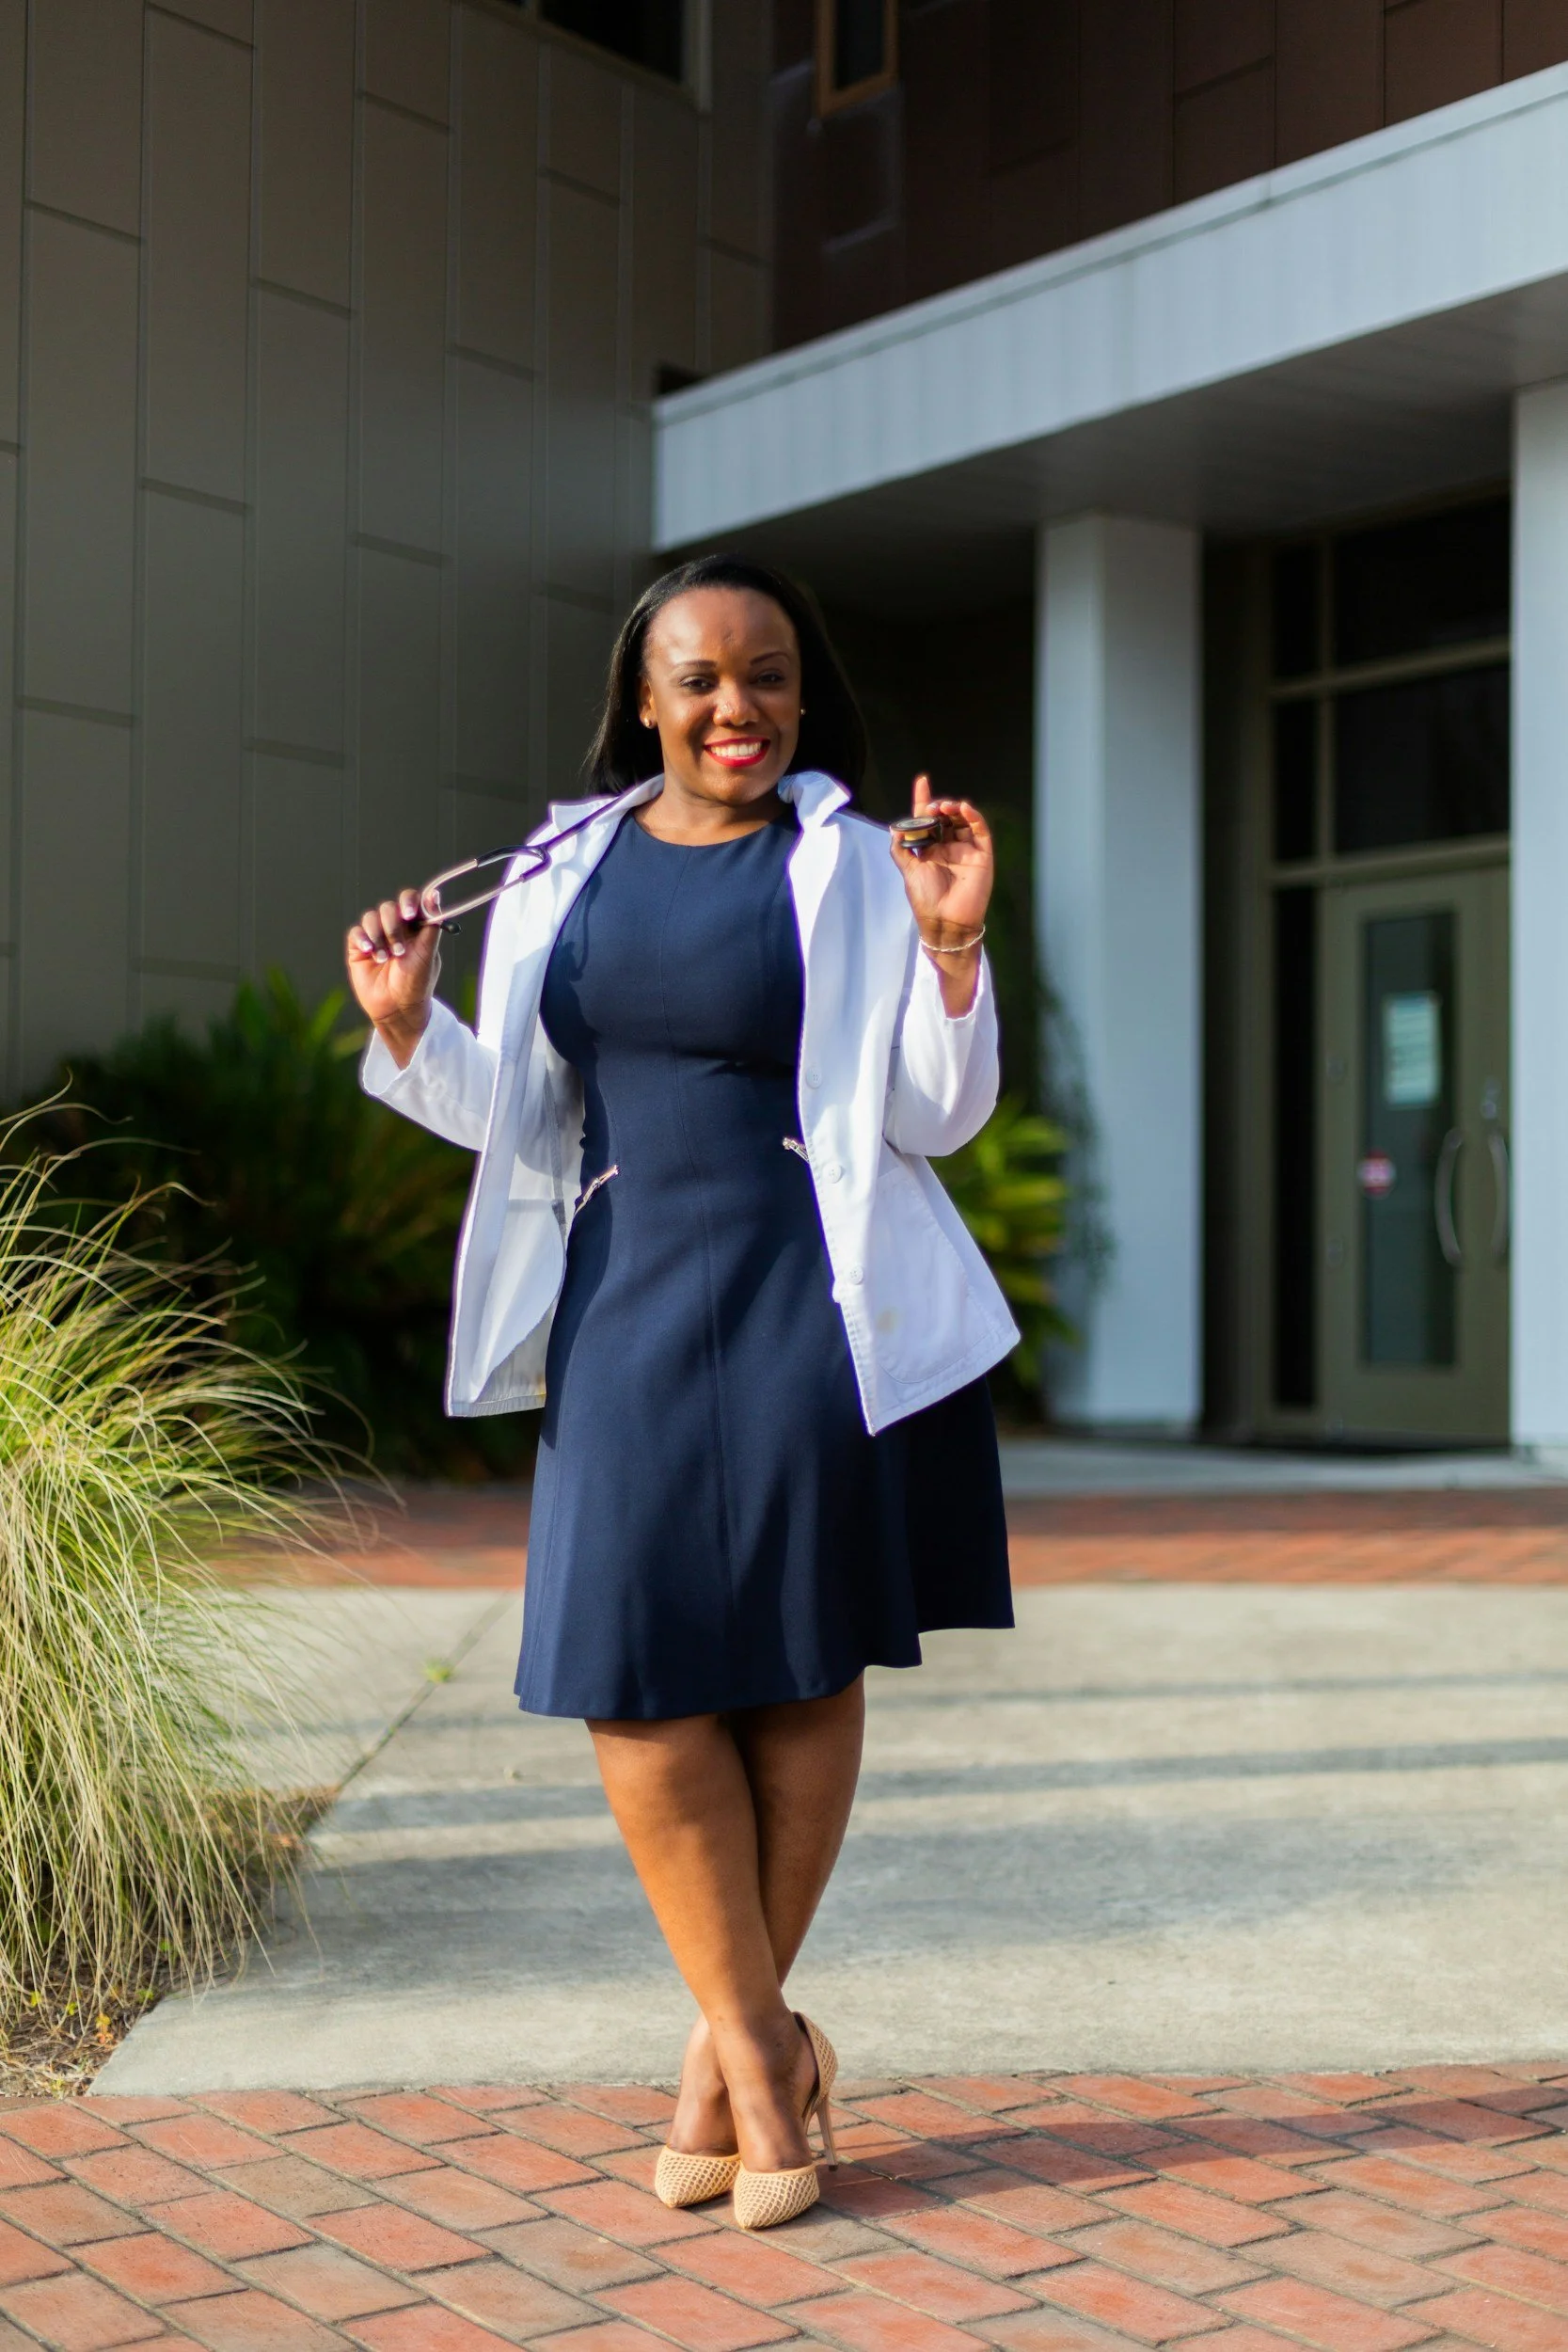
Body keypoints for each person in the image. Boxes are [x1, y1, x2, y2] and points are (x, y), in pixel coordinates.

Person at [345, 555, 1018, 2231]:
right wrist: (413, 1025)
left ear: (801, 695)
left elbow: (931, 1119)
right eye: (702, 680)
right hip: (625, 1293)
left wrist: (953, 949)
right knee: (630, 1680)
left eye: (768, 677)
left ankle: (729, 2076)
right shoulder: (562, 865)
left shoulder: (857, 863)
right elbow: (530, 1114)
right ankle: (766, 2039)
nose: (738, 709)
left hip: (808, 1287)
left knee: (795, 1670)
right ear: (642, 700)